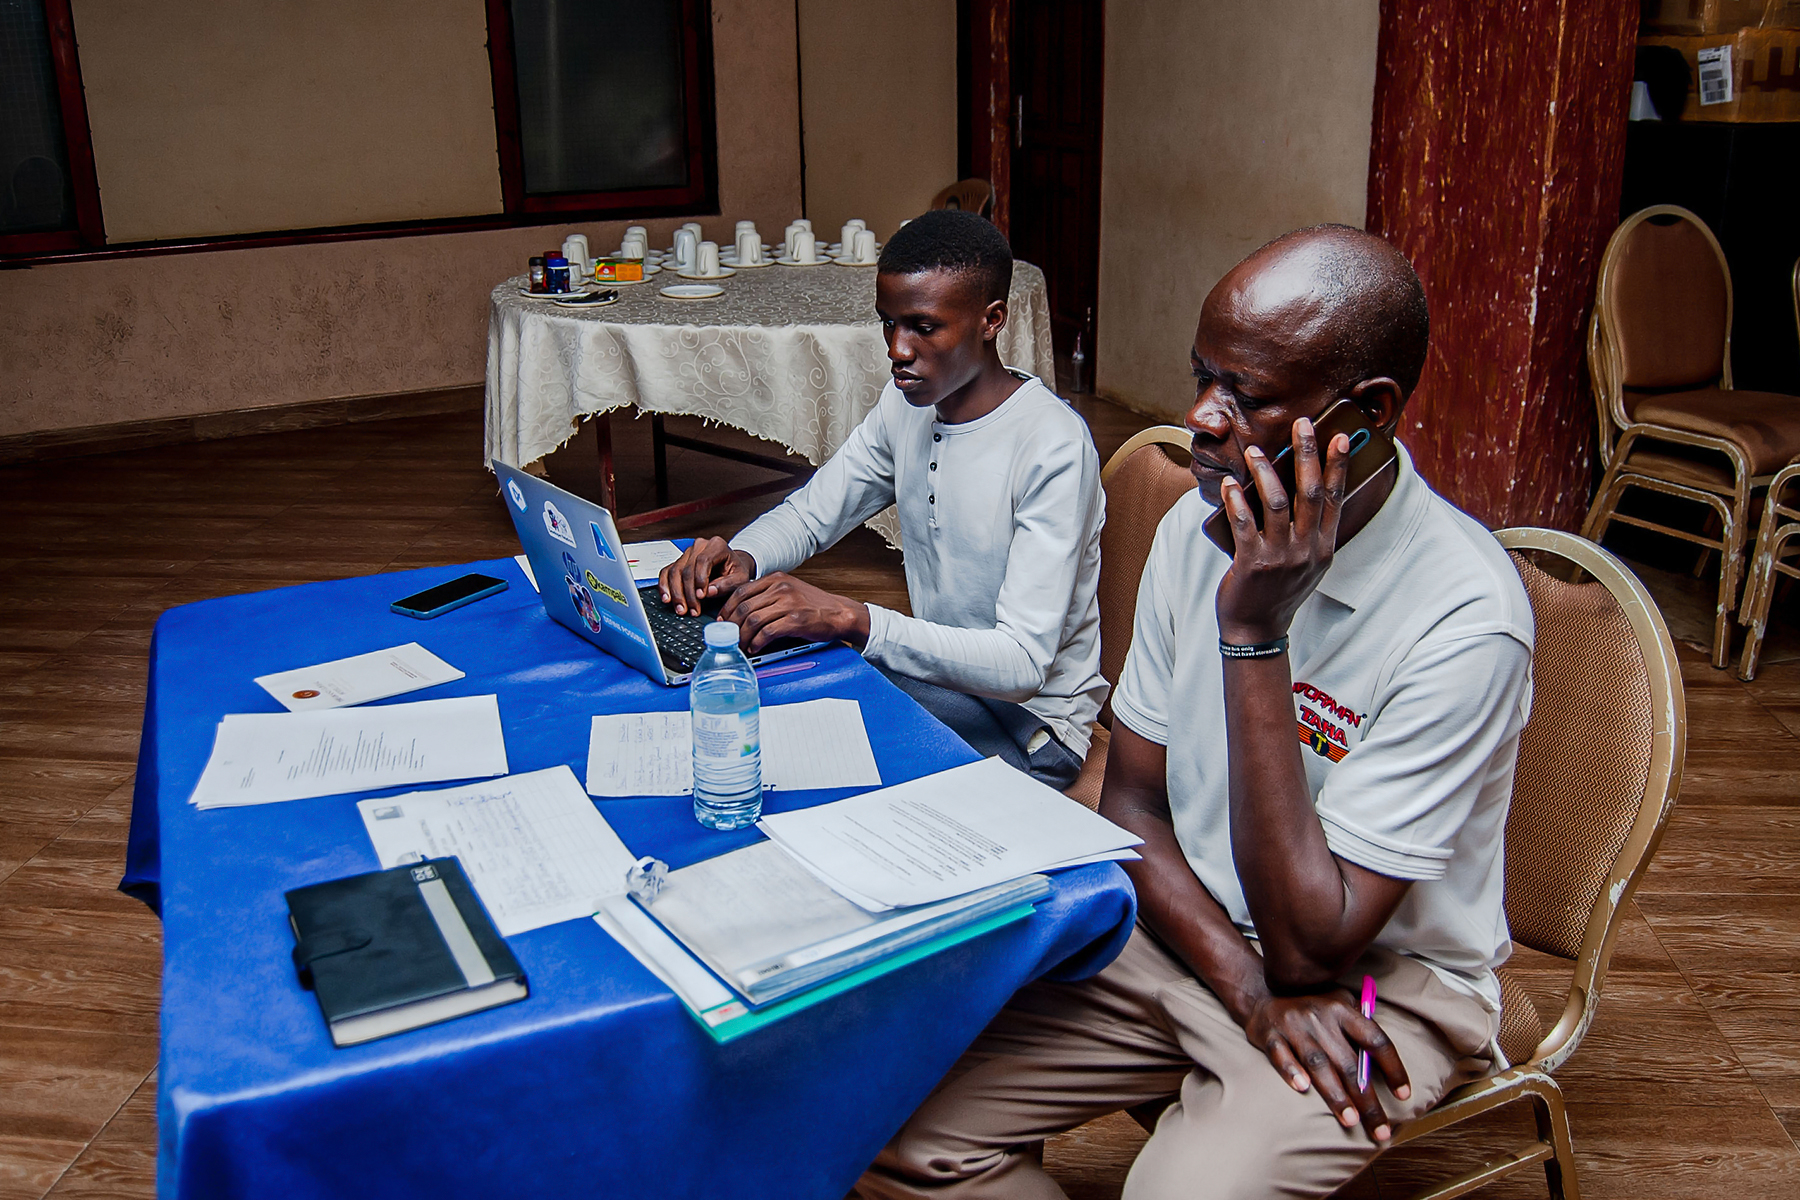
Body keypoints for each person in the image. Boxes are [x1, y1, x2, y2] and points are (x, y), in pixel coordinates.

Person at [857, 225, 1535, 1198]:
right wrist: (1244, 984)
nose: (1201, 419)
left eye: (1247, 395)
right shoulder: (1197, 524)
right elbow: (1130, 807)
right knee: (885, 1117)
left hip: (1377, 985)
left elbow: (1315, 943)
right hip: (1195, 928)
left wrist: (1255, 631)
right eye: (1201, 377)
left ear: (1368, 414)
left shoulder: (1464, 621)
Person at [657, 209, 1107, 789]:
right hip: (941, 688)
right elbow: (813, 513)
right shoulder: (908, 407)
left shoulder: (1052, 446)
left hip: (1029, 728)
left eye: (923, 326)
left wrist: (852, 618)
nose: (898, 349)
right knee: (762, 699)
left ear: (992, 320)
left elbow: (1021, 664)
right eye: (887, 323)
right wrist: (742, 558)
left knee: (799, 758)